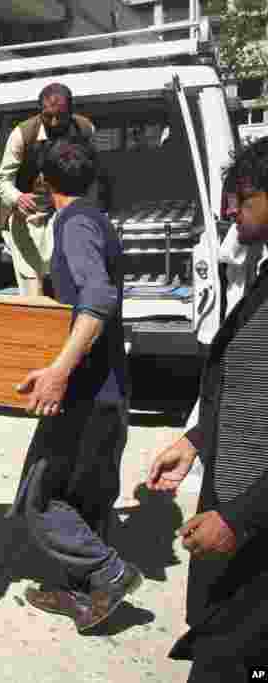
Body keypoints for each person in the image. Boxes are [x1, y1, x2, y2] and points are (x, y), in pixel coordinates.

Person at [146, 137, 268, 681]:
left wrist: (240, 520)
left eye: (243, 197)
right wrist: (195, 441)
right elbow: (247, 384)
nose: (228, 210)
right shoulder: (263, 278)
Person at [10, 139, 140, 633]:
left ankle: (110, 574)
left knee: (39, 500)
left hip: (87, 393)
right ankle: (86, 598)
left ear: (44, 182)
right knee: (87, 499)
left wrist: (59, 371)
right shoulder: (97, 217)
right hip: (110, 390)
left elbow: (98, 294)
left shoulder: (75, 223)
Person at [0, 83, 95, 296]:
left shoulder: (85, 129)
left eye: (61, 116)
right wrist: (17, 197)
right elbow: (2, 180)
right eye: (48, 116)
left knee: (66, 284)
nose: (54, 122)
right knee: (33, 289)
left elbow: (90, 173)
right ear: (40, 111)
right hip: (26, 217)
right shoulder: (21, 134)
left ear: (71, 112)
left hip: (62, 214)